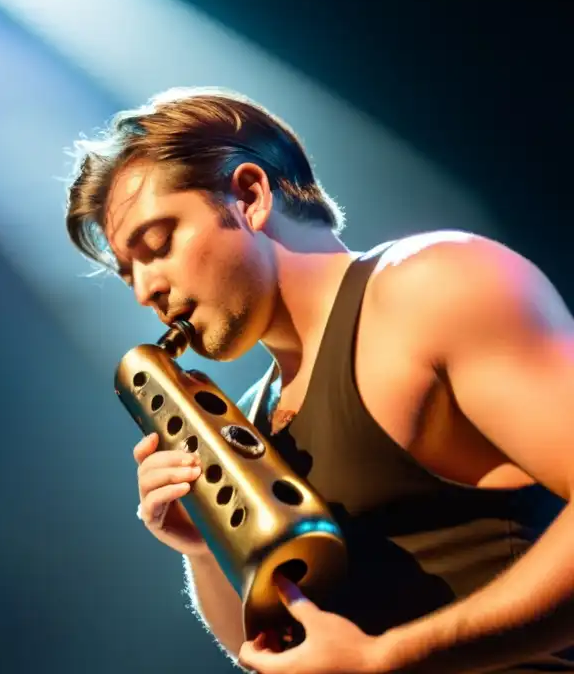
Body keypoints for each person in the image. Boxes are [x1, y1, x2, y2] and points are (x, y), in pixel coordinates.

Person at [64, 87, 574, 673]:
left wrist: (386, 659)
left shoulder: (428, 287)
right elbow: (267, 647)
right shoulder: (251, 419)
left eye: (157, 245)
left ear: (251, 196)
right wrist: (204, 545)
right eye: (129, 272)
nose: (144, 290)